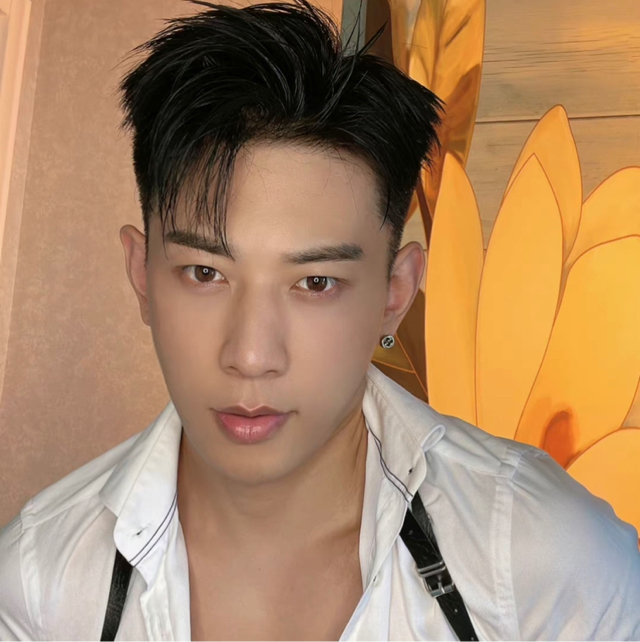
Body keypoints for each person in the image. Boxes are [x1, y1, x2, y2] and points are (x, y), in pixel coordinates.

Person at [1, 0, 639, 639]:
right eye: (205, 273)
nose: (251, 356)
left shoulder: (546, 564)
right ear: (142, 274)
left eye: (315, 282)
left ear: (394, 293)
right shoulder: (39, 581)